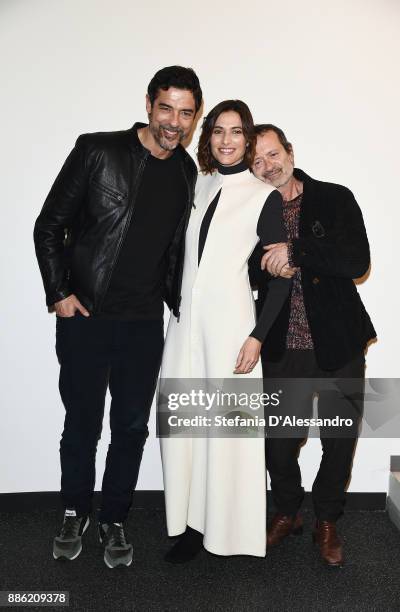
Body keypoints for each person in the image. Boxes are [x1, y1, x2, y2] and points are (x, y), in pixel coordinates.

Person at [33, 65, 202, 568]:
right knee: (81, 424)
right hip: (86, 317)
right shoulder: (98, 150)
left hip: (145, 323)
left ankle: (114, 518)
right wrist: (60, 293)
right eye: (167, 108)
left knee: (130, 428)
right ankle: (73, 510)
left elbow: (176, 252)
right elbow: (48, 226)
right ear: (148, 103)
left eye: (187, 112)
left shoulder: (187, 172)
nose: (175, 122)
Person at [159, 101, 292, 562]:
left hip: (232, 326)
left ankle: (227, 530)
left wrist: (257, 336)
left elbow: (280, 277)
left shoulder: (262, 196)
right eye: (218, 130)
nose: (227, 140)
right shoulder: (196, 184)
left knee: (227, 430)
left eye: (236, 131)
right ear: (208, 137)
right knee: (185, 426)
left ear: (248, 138)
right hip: (184, 325)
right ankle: (189, 526)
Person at [250, 123, 376, 567]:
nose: (267, 166)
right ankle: (288, 512)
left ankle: (327, 520)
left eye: (272, 154)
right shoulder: (252, 209)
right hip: (284, 347)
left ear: (290, 150)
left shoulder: (334, 197)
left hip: (339, 341)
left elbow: (356, 261)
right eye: (257, 161)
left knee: (339, 438)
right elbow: (244, 272)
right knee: (280, 442)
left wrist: (296, 251)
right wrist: (266, 269)